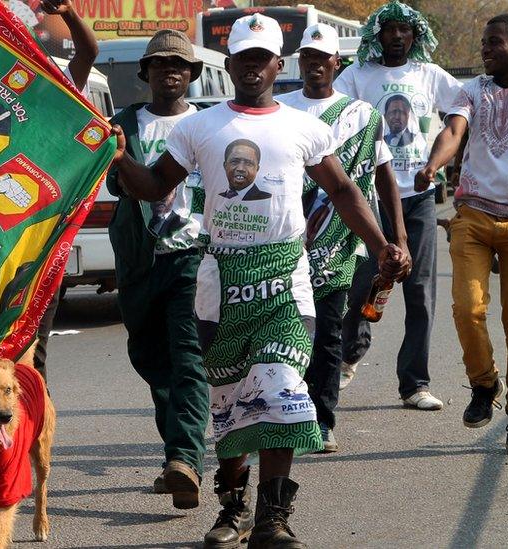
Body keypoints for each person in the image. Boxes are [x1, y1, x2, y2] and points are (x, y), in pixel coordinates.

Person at [111, 14, 409, 547]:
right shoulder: (198, 127)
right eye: (243, 59)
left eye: (261, 58)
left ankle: (273, 517)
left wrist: (384, 242)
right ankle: (232, 509)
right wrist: (116, 155)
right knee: (228, 402)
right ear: (229, 66)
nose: (252, 67)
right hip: (219, 278)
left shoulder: (304, 128)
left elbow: (342, 191)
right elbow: (155, 185)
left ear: (278, 65)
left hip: (285, 277)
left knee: (283, 390)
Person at [0, 0, 97, 378]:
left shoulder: (51, 88)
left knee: (29, 361)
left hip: (32, 250)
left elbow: (89, 52)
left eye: (13, 36)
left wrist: (69, 13)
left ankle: (31, 437)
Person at [277, 23, 408, 454]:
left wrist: (397, 237)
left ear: (337, 63)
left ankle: (322, 420)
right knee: (289, 333)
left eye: (322, 58)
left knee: (329, 333)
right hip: (286, 241)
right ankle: (287, 415)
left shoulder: (361, 116)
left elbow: (384, 175)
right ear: (299, 62)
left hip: (339, 242)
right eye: (307, 58)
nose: (314, 65)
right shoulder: (280, 110)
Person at [333, 0, 461, 409]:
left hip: (419, 197)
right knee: (361, 282)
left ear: (416, 36)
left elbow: (463, 109)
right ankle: (349, 354)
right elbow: (334, 118)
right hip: (370, 198)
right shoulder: (358, 75)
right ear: (378, 35)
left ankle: (415, 384)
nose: (398, 36)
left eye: (405, 30)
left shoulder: (429, 75)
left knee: (420, 291)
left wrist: (440, 161)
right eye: (390, 29)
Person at [105, 29, 210, 513]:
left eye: (179, 65)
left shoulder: (211, 125)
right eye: (161, 64)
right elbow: (111, 182)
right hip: (140, 260)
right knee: (151, 360)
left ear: (192, 75)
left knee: (189, 358)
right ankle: (178, 457)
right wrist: (117, 152)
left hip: (195, 257)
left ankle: (185, 458)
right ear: (145, 74)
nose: (170, 71)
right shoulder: (121, 124)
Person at [417, 14, 508, 450]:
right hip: (472, 215)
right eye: (483, 42)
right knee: (467, 307)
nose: (484, 49)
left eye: (494, 42)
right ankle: (484, 384)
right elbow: (454, 130)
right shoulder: (471, 90)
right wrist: (434, 165)